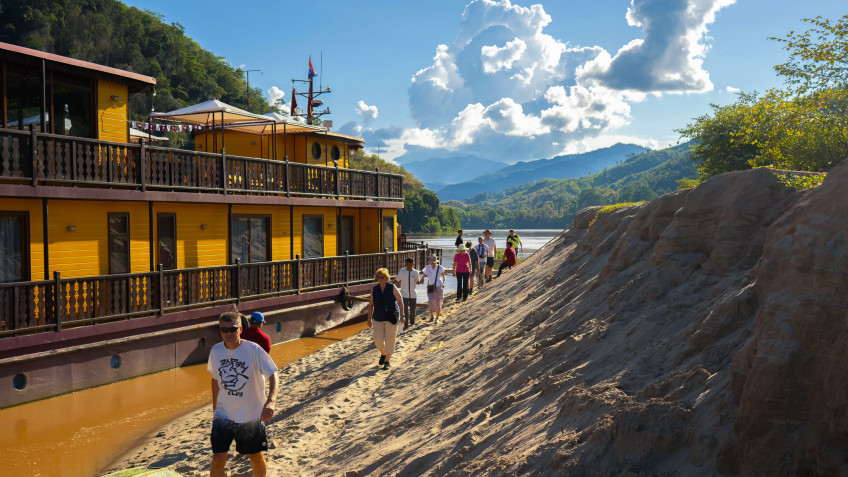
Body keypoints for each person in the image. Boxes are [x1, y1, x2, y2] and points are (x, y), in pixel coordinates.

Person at [208, 311, 279, 477]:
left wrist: (271, 402)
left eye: (232, 329)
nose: (229, 333)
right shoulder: (216, 351)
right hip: (223, 415)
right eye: (224, 330)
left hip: (250, 415)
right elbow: (215, 379)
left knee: (255, 456)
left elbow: (273, 374)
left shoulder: (253, 350)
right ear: (220, 331)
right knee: (218, 459)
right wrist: (215, 407)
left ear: (240, 329)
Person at [368, 268, 405, 370]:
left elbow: (400, 300)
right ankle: (383, 353)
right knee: (377, 339)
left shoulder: (392, 287)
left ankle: (387, 361)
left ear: (387, 278)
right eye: (379, 277)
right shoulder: (374, 289)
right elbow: (371, 304)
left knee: (390, 339)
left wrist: (402, 315)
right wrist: (369, 319)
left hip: (391, 317)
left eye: (382, 277)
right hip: (378, 317)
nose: (380, 279)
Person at [394, 258, 422, 329]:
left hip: (413, 294)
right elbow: (396, 280)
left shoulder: (416, 272)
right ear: (405, 264)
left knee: (413, 310)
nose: (408, 266)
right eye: (407, 264)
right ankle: (405, 325)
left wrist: (420, 282)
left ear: (413, 264)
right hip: (404, 294)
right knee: (405, 310)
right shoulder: (402, 271)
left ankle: (412, 323)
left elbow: (417, 282)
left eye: (410, 264)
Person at [422, 254, 446, 324]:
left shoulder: (440, 268)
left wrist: (443, 284)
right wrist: (422, 279)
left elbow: (443, 277)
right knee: (430, 301)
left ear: (436, 262)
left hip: (438, 286)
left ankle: (437, 318)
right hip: (430, 286)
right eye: (431, 263)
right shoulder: (427, 268)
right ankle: (431, 316)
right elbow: (423, 276)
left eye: (433, 263)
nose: (432, 264)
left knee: (438, 302)